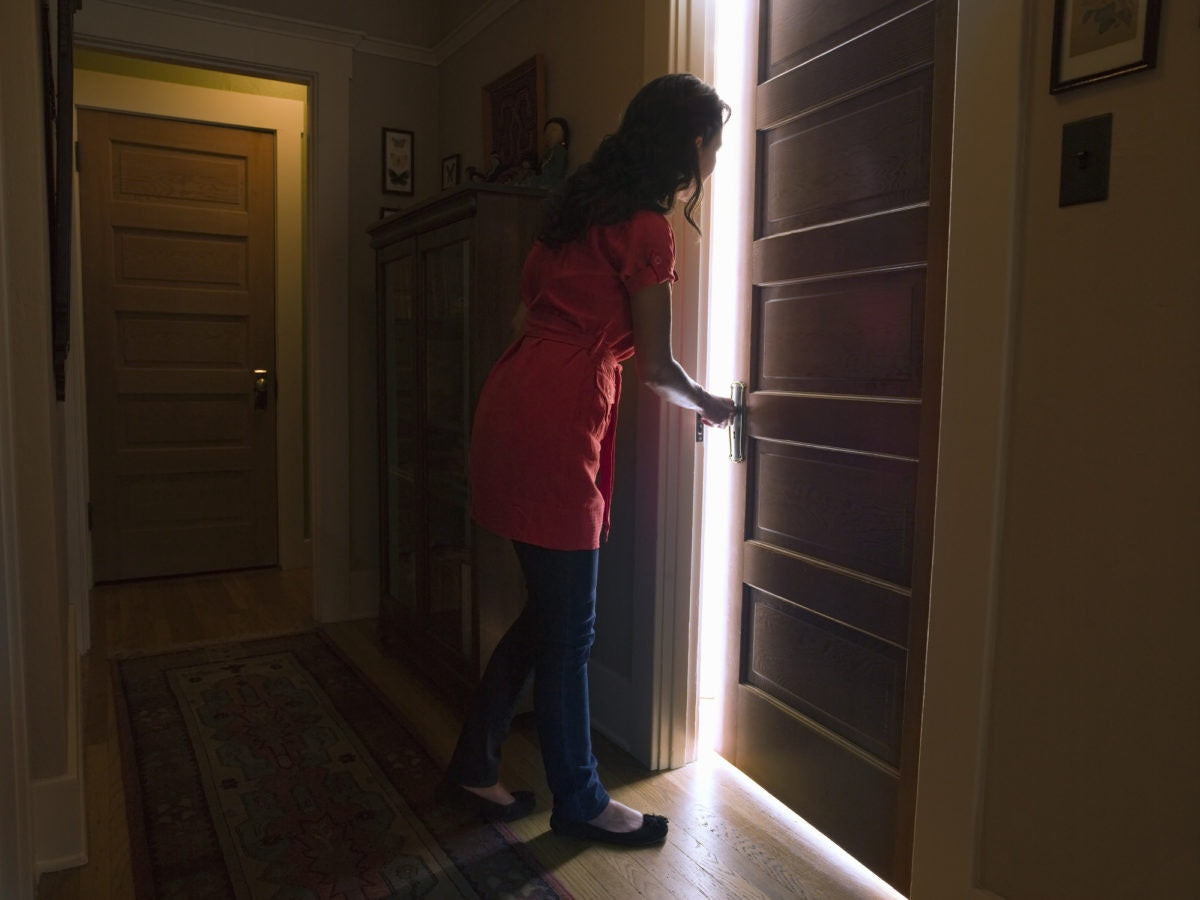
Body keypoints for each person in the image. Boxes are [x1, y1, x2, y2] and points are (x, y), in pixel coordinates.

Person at [438, 73, 735, 847]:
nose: (714, 160)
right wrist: (710, 402)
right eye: (715, 145)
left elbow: (523, 316)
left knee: (549, 613)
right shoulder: (646, 228)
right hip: (560, 416)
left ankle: (474, 762)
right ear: (692, 143)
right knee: (570, 629)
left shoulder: (572, 214)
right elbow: (657, 368)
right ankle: (582, 799)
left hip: (512, 396)